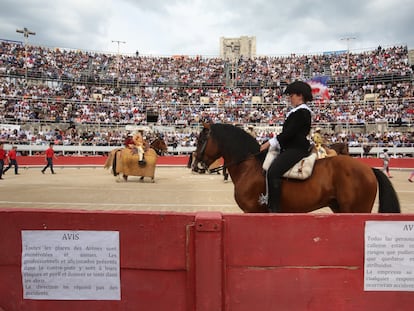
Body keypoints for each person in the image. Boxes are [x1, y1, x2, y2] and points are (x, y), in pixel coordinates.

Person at [260, 81, 313, 212]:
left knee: (273, 172)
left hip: (296, 149)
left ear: (300, 95)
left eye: (292, 95)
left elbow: (289, 133)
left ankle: (275, 208)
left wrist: (269, 143)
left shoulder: (302, 112)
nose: (290, 98)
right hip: (291, 147)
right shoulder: (298, 111)